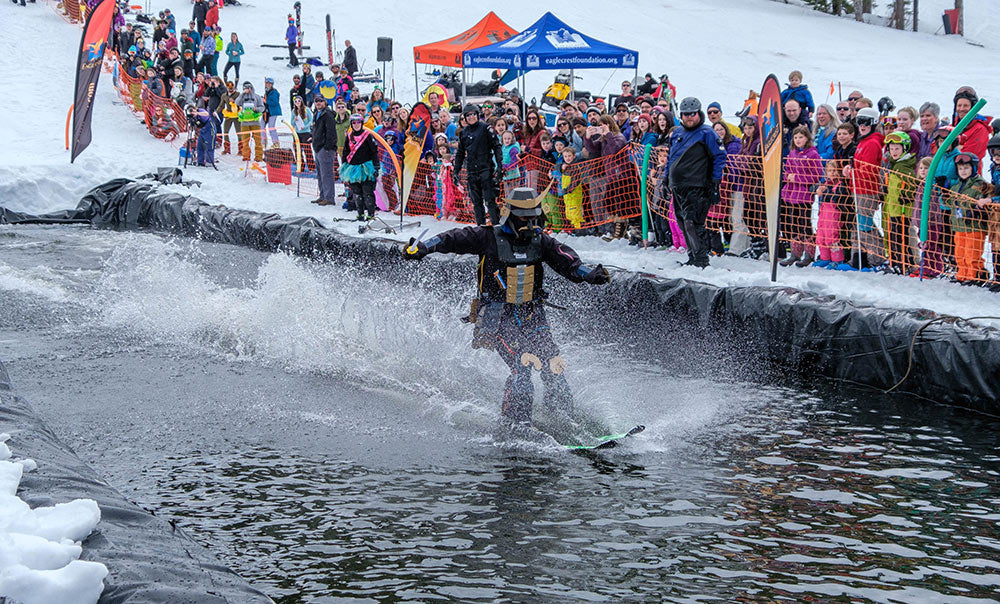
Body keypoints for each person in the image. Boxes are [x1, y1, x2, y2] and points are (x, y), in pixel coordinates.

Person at [401, 187, 610, 426]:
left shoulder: (542, 241)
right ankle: (515, 424)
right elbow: (451, 238)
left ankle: (564, 420)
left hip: (532, 314)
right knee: (523, 363)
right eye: (524, 217)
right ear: (510, 214)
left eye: (533, 216)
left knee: (553, 363)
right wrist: (422, 248)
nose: (530, 222)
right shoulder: (487, 237)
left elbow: (569, 263)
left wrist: (590, 274)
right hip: (497, 315)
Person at [665, 97, 727, 268]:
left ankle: (701, 259)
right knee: (682, 221)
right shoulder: (677, 133)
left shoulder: (707, 133)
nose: (689, 117)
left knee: (693, 222)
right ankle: (692, 256)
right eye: (685, 114)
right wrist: (666, 177)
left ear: (698, 113)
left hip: (698, 185)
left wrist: (715, 182)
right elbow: (671, 157)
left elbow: (720, 157)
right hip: (678, 185)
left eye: (692, 114)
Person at [844, 107, 884, 268]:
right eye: (859, 121)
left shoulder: (873, 143)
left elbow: (869, 170)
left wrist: (853, 172)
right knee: (860, 224)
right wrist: (850, 169)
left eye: (866, 122)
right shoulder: (863, 142)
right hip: (858, 188)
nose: (862, 125)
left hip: (867, 190)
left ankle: (876, 258)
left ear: (873, 123)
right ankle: (859, 257)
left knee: (865, 225)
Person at [779, 125, 823, 267]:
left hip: (803, 195)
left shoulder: (812, 154)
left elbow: (816, 176)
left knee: (805, 224)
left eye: (801, 137)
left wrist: (797, 177)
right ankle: (795, 253)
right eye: (796, 137)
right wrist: (788, 176)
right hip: (792, 194)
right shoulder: (792, 153)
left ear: (807, 138)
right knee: (794, 224)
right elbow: (787, 171)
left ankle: (809, 254)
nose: (798, 140)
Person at [454, 104, 503, 226]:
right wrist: (456, 171)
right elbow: (460, 153)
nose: (471, 117)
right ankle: (480, 228)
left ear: (477, 115)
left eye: (473, 114)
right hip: (472, 171)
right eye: (468, 115)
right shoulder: (464, 132)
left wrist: (500, 167)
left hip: (485, 169)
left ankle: (496, 228)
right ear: (465, 117)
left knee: (490, 201)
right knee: (476, 203)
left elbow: (497, 147)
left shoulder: (486, 128)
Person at [947, 152, 991, 283]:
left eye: (966, 168)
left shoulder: (980, 184)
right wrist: (944, 194)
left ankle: (976, 275)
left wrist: (977, 211)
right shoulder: (956, 186)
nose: (963, 171)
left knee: (972, 253)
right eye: (960, 168)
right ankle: (962, 274)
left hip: (974, 226)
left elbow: (986, 199)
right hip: (959, 225)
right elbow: (949, 203)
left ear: (973, 167)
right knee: (960, 252)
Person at [882, 131, 918, 273]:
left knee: (901, 237)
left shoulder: (904, 166)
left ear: (904, 149)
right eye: (891, 149)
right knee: (894, 236)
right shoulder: (894, 164)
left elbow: (913, 185)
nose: (894, 152)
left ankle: (904, 263)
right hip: (893, 208)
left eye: (897, 148)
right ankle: (895, 261)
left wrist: (907, 194)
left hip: (903, 210)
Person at [340, 114, 379, 220]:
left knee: (367, 192)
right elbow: (345, 152)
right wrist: (344, 167)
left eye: (358, 122)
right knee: (357, 193)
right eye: (354, 123)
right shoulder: (349, 136)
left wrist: (376, 166)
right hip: (352, 168)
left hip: (366, 168)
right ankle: (360, 214)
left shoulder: (367, 135)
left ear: (361, 123)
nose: (356, 125)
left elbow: (374, 152)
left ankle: (371, 215)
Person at [813, 160, 849, 269]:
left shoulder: (840, 185)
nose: (832, 173)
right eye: (829, 171)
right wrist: (818, 189)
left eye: (834, 170)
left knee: (832, 237)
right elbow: (813, 189)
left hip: (834, 214)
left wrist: (826, 191)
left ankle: (837, 259)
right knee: (821, 235)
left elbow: (837, 196)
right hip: (823, 213)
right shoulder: (824, 183)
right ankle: (825, 257)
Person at [953, 87, 992, 170]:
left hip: (970, 179)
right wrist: (958, 147)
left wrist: (951, 149)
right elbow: (936, 148)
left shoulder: (980, 129)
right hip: (950, 177)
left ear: (973, 108)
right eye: (959, 105)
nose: (962, 109)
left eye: (966, 105)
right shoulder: (952, 126)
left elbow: (967, 157)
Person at [311, 95, 338, 205]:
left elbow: (331, 133)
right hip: (318, 147)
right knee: (320, 174)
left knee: (326, 174)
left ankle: (329, 197)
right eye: (316, 101)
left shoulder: (328, 114)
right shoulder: (316, 114)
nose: (318, 103)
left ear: (325, 102)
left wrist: (327, 147)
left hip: (325, 148)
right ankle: (323, 195)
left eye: (320, 101)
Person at [235, 81, 265, 162]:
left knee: (258, 141)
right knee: (245, 141)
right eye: (245, 88)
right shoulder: (242, 97)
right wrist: (242, 94)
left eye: (248, 88)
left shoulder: (257, 97)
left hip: (255, 122)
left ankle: (259, 156)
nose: (247, 89)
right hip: (244, 122)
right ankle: (246, 156)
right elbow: (237, 102)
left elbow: (262, 108)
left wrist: (256, 109)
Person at [262, 77, 282, 147]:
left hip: (273, 112)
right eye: (266, 83)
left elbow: (275, 102)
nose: (267, 84)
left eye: (269, 83)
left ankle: (276, 143)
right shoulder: (267, 91)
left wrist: (265, 101)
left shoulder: (274, 92)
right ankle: (263, 142)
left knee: (271, 127)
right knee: (262, 126)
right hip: (266, 112)